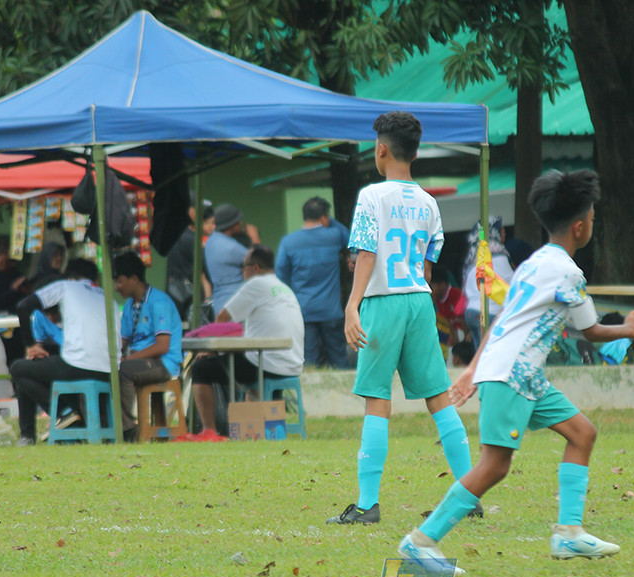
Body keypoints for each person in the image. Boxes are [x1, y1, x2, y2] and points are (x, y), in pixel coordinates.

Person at [396, 169, 634, 573]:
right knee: (495, 466)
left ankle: (568, 533)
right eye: (594, 218)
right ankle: (420, 541)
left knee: (582, 432)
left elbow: (500, 321)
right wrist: (632, 329)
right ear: (582, 226)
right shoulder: (568, 272)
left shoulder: (533, 264)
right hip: (513, 376)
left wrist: (470, 371)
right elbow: (592, 330)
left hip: (523, 375)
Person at [327, 111, 478, 525]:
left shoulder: (372, 196)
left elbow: (367, 253)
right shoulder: (429, 203)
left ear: (380, 149)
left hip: (384, 301)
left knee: (378, 399)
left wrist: (353, 304)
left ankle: (367, 505)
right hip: (419, 301)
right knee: (438, 397)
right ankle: (469, 493)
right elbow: (429, 266)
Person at [187, 244, 304, 441]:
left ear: (255, 268)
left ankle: (209, 431)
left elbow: (223, 319)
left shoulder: (256, 285)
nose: (241, 271)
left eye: (244, 266)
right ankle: (253, 428)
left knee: (201, 368)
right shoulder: (283, 288)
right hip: (291, 363)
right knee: (238, 364)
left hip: (266, 362)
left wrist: (216, 351)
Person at [10, 259, 117, 445]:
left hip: (78, 365)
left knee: (19, 368)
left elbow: (23, 306)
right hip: (109, 370)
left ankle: (62, 415)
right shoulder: (108, 297)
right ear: (95, 280)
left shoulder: (66, 286)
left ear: (70, 277)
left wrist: (30, 345)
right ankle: (68, 419)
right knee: (32, 370)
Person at [113, 252, 183, 443]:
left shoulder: (158, 302)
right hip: (140, 361)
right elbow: (123, 342)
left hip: (163, 363)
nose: (116, 287)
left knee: (123, 370)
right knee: (109, 369)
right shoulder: (129, 306)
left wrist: (128, 359)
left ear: (134, 279)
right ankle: (110, 426)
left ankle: (128, 430)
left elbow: (162, 346)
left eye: (119, 281)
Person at [275, 196, 350, 369]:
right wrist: (331, 221)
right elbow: (351, 239)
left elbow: (281, 277)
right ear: (324, 217)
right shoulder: (334, 235)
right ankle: (347, 396)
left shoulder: (288, 242)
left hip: (303, 312)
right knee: (339, 360)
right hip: (331, 311)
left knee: (309, 362)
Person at [462, 216, 514, 351]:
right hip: (488, 312)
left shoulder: (475, 252)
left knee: (480, 356)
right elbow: (511, 284)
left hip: (471, 312)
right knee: (490, 356)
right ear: (493, 231)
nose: (504, 233)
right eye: (501, 230)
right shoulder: (497, 253)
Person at [0, 237, 30, 372]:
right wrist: (12, 291)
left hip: (16, 328)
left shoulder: (15, 274)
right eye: (8, 260)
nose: (11, 264)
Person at [166, 193, 215, 320]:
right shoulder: (192, 239)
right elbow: (207, 272)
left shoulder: (174, 235)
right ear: (192, 212)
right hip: (192, 303)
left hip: (175, 301)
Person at [203, 203, 251, 320]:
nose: (241, 223)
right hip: (235, 305)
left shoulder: (211, 241)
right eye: (238, 220)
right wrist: (254, 238)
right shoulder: (230, 247)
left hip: (220, 302)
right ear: (230, 225)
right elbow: (260, 261)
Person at [429, 264, 467, 360]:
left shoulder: (456, 294)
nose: (430, 291)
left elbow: (464, 317)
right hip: (454, 335)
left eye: (432, 287)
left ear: (442, 285)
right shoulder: (438, 300)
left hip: (466, 333)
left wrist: (465, 341)